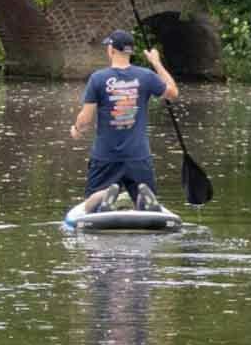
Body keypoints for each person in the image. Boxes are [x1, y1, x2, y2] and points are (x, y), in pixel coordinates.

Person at [69, 29, 177, 212]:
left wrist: (77, 129)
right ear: (130, 52)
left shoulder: (98, 78)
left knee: (88, 206)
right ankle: (143, 198)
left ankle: (104, 197)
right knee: (144, 201)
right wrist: (156, 63)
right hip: (138, 157)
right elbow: (173, 93)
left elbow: (85, 119)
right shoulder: (146, 76)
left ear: (111, 50)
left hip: (106, 157)